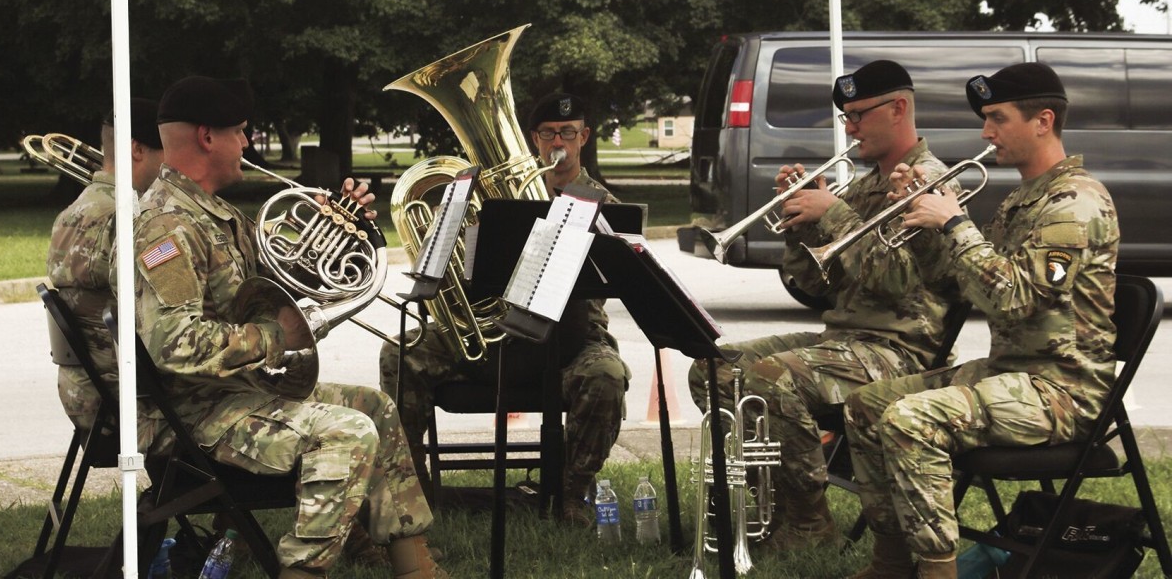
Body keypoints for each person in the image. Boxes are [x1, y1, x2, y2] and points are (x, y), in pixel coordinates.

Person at [132, 75, 445, 579]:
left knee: (376, 407)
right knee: (346, 431)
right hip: (197, 417)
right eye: (240, 132)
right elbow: (175, 346)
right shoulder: (166, 226)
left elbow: (272, 288)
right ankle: (303, 572)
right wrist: (279, 338)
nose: (248, 144)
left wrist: (347, 226)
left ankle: (416, 568)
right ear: (208, 138)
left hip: (237, 395)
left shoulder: (213, 215)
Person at [843, 62, 1119, 579]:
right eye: (985, 119)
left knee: (911, 420)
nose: (985, 132)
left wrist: (954, 222)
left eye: (997, 118)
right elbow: (960, 284)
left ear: (1042, 121)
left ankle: (938, 573)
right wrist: (923, 224)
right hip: (1012, 374)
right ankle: (891, 563)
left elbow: (1017, 301)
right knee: (865, 405)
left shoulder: (1074, 203)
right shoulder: (1024, 198)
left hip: (1062, 390)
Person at [685, 60, 960, 550]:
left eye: (857, 115)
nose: (849, 128)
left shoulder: (930, 181)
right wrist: (803, 226)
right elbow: (816, 286)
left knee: (771, 378)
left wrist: (833, 214)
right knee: (713, 368)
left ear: (898, 109)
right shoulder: (865, 185)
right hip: (846, 340)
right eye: (844, 118)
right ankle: (768, 507)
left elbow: (898, 281)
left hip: (901, 350)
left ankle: (809, 526)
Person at [379, 92, 632, 527]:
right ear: (534, 139)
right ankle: (412, 485)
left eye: (567, 133)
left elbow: (614, 282)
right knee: (400, 354)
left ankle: (572, 492)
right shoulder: (498, 201)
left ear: (583, 138)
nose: (558, 142)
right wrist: (462, 228)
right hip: (496, 337)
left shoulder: (603, 205)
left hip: (571, 340)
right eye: (549, 133)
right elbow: (469, 276)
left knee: (608, 374)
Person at [47, 97, 164, 433]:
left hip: (85, 394)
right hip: (128, 405)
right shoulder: (126, 219)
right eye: (167, 151)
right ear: (138, 150)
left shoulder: (72, 212)